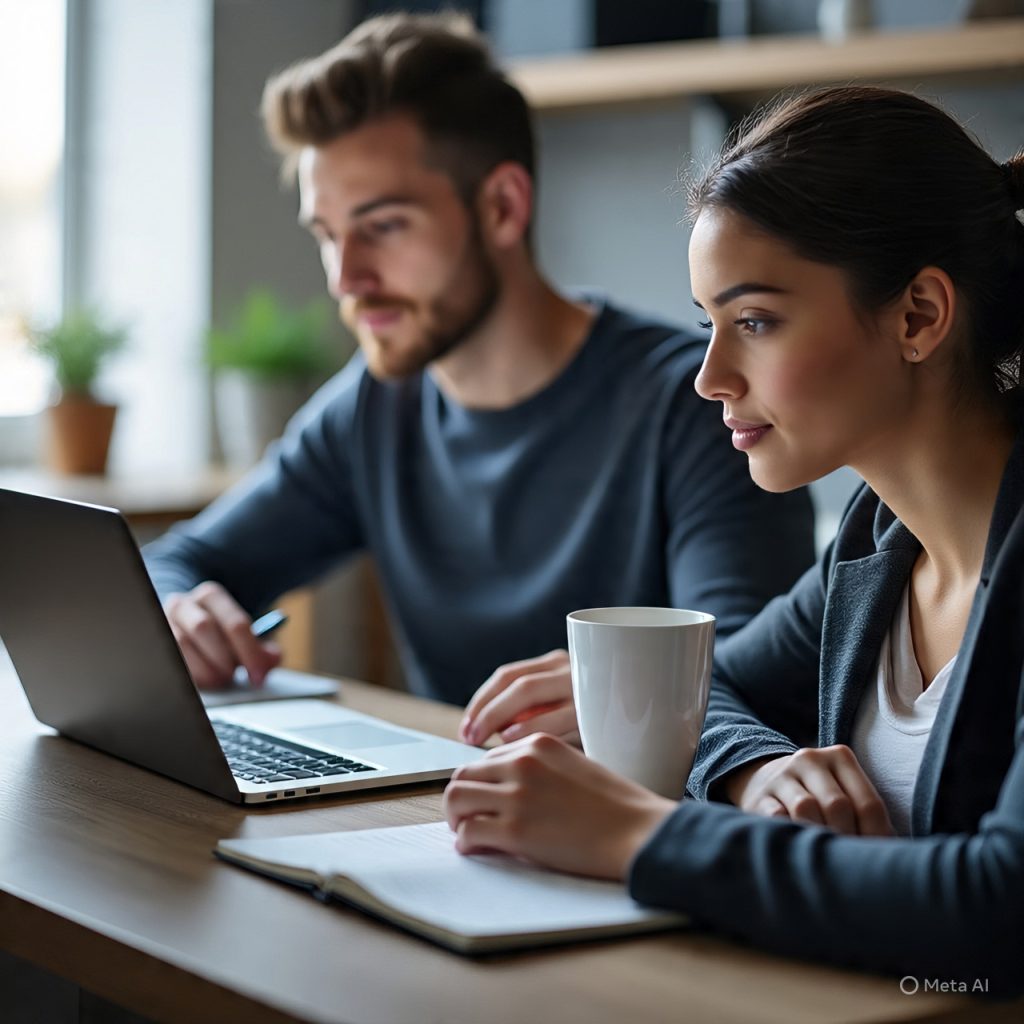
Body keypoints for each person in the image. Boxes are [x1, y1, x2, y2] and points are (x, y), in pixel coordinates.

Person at [443, 85, 1024, 994]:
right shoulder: (878, 546)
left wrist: (637, 835)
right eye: (709, 325)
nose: (710, 376)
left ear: (918, 316)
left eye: (754, 322)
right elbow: (716, 684)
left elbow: (998, 905)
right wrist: (755, 770)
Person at [143, 13, 814, 713]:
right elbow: (176, 562)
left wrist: (616, 700)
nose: (347, 276)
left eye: (383, 227)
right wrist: (180, 610)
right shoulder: (374, 409)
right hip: (446, 806)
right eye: (329, 234)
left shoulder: (703, 405)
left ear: (502, 206)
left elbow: (748, 678)